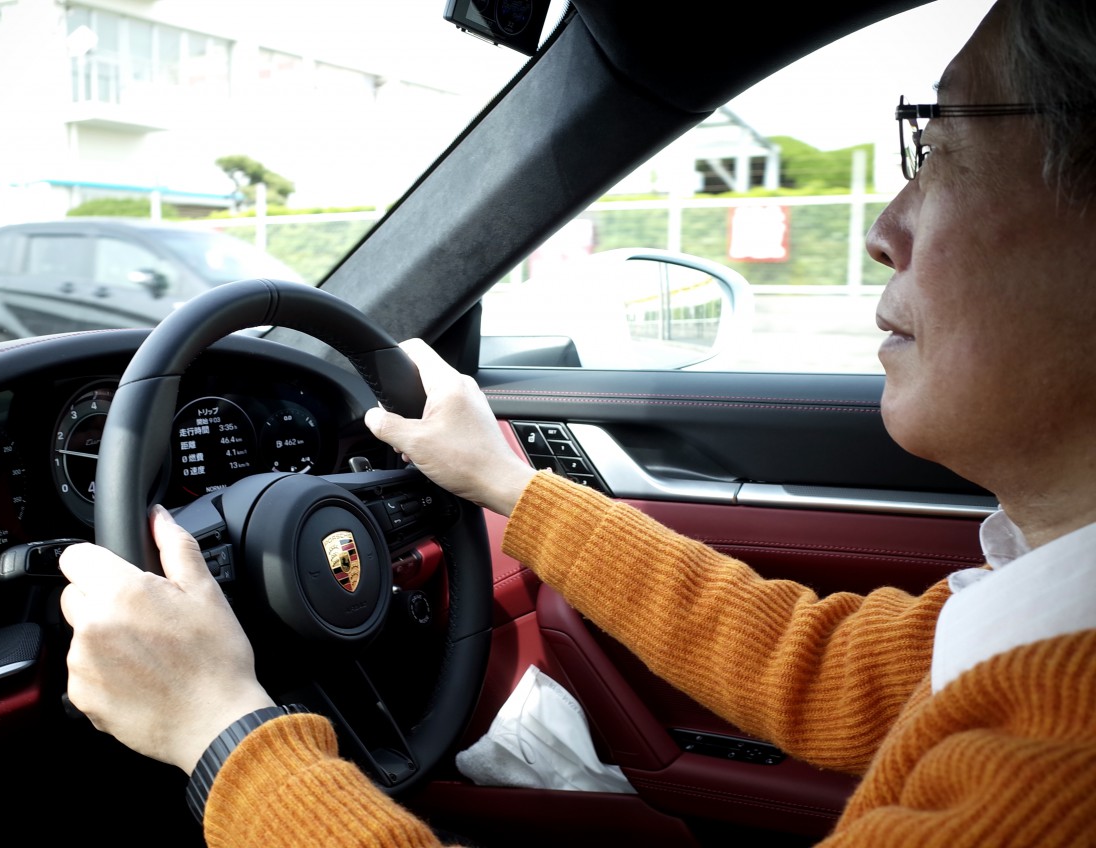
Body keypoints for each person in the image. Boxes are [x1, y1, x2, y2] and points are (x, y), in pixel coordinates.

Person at [58, 1, 1096, 845]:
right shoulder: (1046, 630)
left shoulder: (1060, 773)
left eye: (943, 150)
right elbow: (819, 666)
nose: (882, 226)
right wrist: (504, 483)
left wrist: (220, 727)